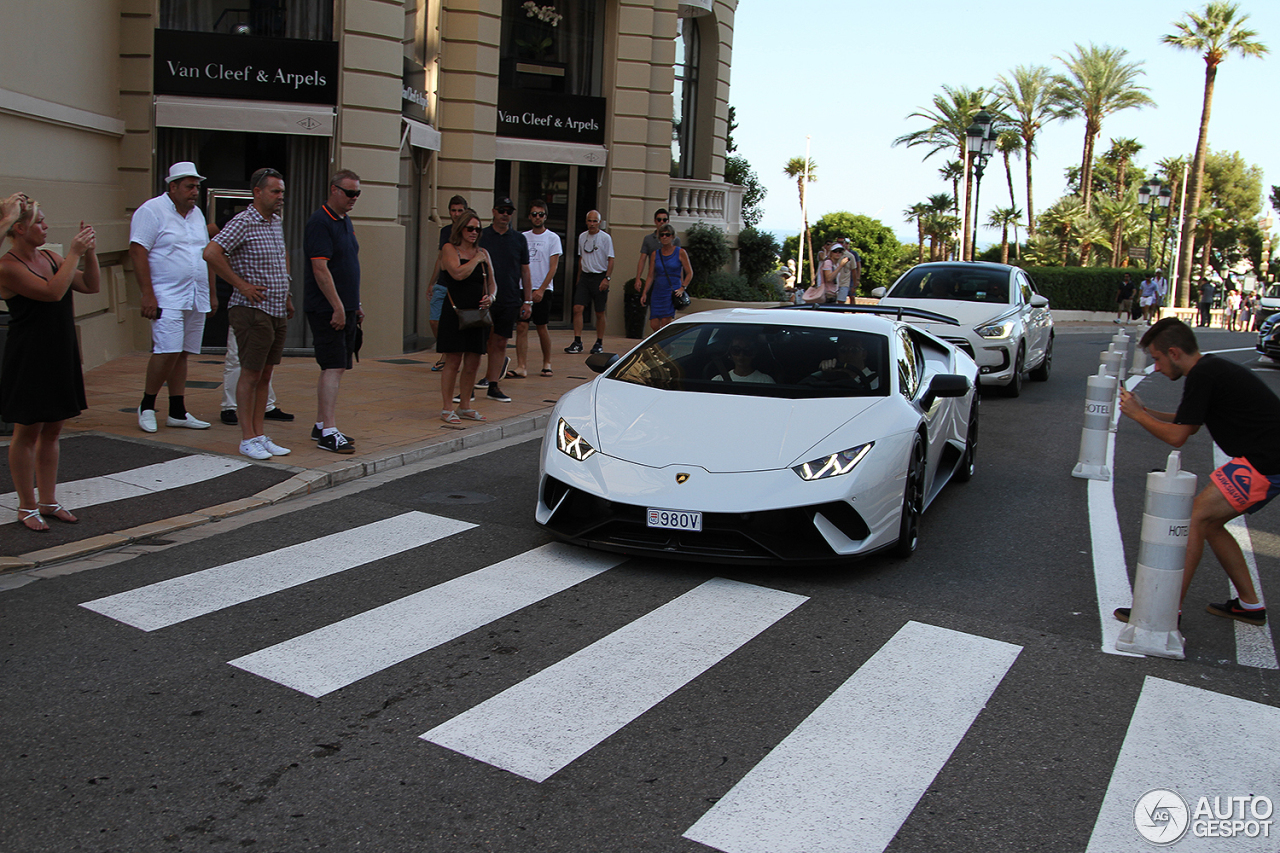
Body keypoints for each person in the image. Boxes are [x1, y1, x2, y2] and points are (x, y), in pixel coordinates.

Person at [1117, 318, 1278, 627]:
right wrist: (1146, 410)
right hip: (1267, 458)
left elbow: (1178, 436)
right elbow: (1187, 418)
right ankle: (1249, 605)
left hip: (1266, 461)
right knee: (1211, 524)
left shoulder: (1203, 375)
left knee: (1194, 519)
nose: (1157, 367)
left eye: (1158, 358)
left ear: (1174, 352)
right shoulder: (1210, 369)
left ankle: (1165, 609)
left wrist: (1137, 416)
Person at [0, 196, 100, 530]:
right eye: (39, 221)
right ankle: (26, 505)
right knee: (27, 431)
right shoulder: (9, 266)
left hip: (59, 350)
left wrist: (89, 253)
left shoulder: (51, 257)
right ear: (19, 228)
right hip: (29, 356)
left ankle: (48, 499)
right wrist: (74, 252)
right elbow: (52, 293)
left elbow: (89, 284)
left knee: (54, 429)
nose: (46, 226)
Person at [203, 167, 294, 461]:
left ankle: (259, 433)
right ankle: (247, 437)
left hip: (276, 308)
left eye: (282, 191)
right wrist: (241, 285)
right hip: (252, 310)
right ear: (257, 192)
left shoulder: (275, 221)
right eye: (275, 191)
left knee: (266, 374)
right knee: (250, 373)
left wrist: (287, 295)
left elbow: (280, 259)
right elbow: (211, 252)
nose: (281, 197)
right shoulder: (243, 221)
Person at [129, 161, 215, 434]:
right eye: (190, 186)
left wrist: (211, 293)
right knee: (166, 351)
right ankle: (147, 404)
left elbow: (206, 253)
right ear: (173, 186)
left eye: (197, 186)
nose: (195, 191)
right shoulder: (151, 211)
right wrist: (147, 294)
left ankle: (177, 410)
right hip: (166, 295)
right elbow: (137, 251)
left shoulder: (197, 214)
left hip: (194, 294)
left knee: (183, 353)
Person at [303, 169, 362, 454]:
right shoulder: (320, 222)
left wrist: (354, 304)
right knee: (333, 365)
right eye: (349, 193)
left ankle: (320, 424)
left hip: (346, 307)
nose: (354, 198)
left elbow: (347, 264)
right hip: (327, 308)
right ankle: (329, 430)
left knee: (337, 366)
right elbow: (320, 267)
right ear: (334, 190)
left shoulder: (344, 221)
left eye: (357, 194)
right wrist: (338, 306)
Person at [436, 210, 494, 423]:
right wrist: (476, 259)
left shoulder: (484, 253)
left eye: (477, 229)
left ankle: (465, 405)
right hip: (455, 312)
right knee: (453, 360)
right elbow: (457, 273)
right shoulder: (449, 249)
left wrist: (491, 298)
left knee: (473, 361)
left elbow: (493, 283)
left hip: (477, 314)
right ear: (460, 229)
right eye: (470, 228)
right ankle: (446, 407)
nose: (474, 232)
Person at [476, 196, 531, 403]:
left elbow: (525, 271)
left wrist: (527, 301)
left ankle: (493, 384)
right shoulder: (482, 237)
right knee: (479, 343)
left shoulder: (519, 239)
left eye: (509, 211)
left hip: (509, 298)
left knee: (500, 342)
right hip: (484, 298)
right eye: (501, 210)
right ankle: (469, 385)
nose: (505, 215)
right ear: (493, 212)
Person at [518, 199, 560, 377]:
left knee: (541, 326)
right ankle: (521, 366)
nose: (537, 217)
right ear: (529, 216)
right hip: (523, 288)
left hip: (543, 289)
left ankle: (547, 362)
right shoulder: (523, 237)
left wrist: (541, 289)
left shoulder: (552, 238)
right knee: (521, 326)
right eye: (534, 214)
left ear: (545, 216)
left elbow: (553, 267)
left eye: (540, 214)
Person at [427, 195, 468, 372]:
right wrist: (432, 282)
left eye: (460, 210)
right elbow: (440, 258)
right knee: (435, 320)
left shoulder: (470, 231)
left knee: (460, 323)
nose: (456, 214)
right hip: (443, 282)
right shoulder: (445, 231)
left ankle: (454, 355)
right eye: (453, 210)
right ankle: (446, 350)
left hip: (461, 284)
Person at [565, 209, 614, 354]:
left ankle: (599, 342)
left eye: (595, 221)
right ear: (586, 222)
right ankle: (577, 341)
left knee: (599, 312)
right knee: (577, 308)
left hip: (599, 276)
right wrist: (579, 278)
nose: (592, 224)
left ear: (599, 222)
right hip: (585, 277)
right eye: (589, 221)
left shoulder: (605, 238)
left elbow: (611, 259)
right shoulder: (582, 237)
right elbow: (581, 258)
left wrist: (607, 278)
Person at [640, 223, 691, 332]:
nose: (664, 237)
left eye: (667, 235)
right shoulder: (655, 254)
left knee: (665, 323)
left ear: (672, 236)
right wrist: (644, 292)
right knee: (654, 324)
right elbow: (650, 275)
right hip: (658, 290)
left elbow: (690, 273)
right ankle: (661, 345)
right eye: (662, 235)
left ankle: (666, 346)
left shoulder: (680, 252)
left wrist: (683, 288)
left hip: (672, 291)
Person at [802, 335, 880, 392]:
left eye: (854, 349)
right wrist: (824, 374)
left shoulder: (877, 382)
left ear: (864, 354)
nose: (848, 354)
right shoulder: (832, 376)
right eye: (843, 350)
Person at [633, 208, 680, 296]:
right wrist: (638, 278)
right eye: (659, 220)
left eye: (664, 220)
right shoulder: (648, 239)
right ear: (655, 221)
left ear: (668, 221)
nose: (662, 222)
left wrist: (681, 284)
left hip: (670, 280)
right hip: (654, 278)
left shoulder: (675, 240)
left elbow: (679, 262)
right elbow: (642, 259)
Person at [711, 334, 775, 384]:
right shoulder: (718, 380)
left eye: (747, 351)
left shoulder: (766, 381)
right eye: (736, 350)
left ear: (754, 353)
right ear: (730, 352)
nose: (741, 356)